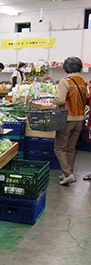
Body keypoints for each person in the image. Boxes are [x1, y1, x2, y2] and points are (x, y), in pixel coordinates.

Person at [52, 57, 89, 185]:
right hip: (80, 119)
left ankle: (68, 174)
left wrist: (53, 99)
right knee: (71, 148)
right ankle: (68, 172)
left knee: (59, 147)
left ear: (66, 68)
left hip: (67, 118)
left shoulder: (65, 81)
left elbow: (60, 100)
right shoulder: (83, 82)